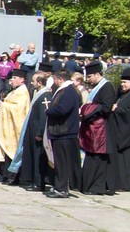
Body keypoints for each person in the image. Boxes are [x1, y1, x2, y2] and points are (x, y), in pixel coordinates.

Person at [79, 61, 119, 196]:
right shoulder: (97, 87)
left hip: (101, 130)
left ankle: (96, 187)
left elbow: (106, 107)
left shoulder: (107, 87)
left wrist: (88, 110)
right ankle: (87, 184)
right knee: (92, 157)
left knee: (98, 159)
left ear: (97, 74)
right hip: (93, 129)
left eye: (90, 76)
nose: (88, 79)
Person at [44, 70, 82, 198]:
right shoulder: (65, 90)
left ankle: (61, 189)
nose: (54, 82)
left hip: (64, 132)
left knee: (62, 162)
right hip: (60, 132)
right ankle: (59, 186)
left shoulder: (68, 91)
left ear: (60, 79)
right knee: (59, 162)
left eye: (55, 79)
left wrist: (48, 111)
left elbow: (62, 110)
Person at [0, 69, 30, 183]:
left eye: (14, 78)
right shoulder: (14, 91)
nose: (11, 80)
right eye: (11, 78)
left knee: (11, 152)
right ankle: (4, 174)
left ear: (22, 80)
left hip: (14, 127)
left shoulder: (23, 92)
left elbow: (18, 109)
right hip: (7, 126)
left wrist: (3, 105)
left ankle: (13, 176)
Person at [16, 72, 52, 192]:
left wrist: (40, 133)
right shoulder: (39, 94)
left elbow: (44, 116)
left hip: (37, 132)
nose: (31, 83)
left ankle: (38, 182)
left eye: (33, 81)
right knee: (31, 156)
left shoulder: (45, 96)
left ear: (40, 82)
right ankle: (30, 179)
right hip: (32, 130)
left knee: (38, 158)